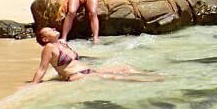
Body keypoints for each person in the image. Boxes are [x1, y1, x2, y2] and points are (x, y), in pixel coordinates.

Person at [29, 28, 158, 83]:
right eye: (49, 30)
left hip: (88, 71)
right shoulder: (49, 47)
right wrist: (33, 84)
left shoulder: (63, 44)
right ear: (45, 39)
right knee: (113, 77)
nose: (53, 29)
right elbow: (42, 69)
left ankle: (155, 77)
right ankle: (148, 82)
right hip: (76, 76)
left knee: (125, 68)